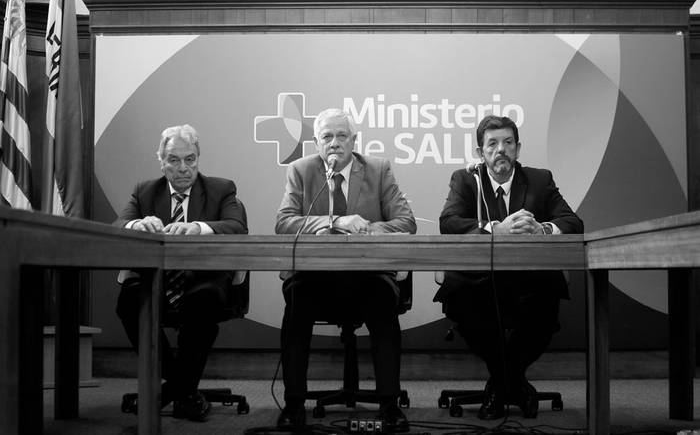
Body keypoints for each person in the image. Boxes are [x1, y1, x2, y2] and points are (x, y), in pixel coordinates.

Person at [275, 108, 416, 431]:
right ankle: (294, 403)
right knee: (295, 302)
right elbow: (284, 223)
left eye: (342, 136)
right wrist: (334, 222)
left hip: (368, 279)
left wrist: (365, 229)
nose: (334, 143)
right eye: (327, 136)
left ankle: (389, 405)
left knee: (383, 303)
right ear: (316, 142)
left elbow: (406, 222)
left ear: (355, 140)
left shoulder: (378, 170)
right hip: (316, 280)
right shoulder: (301, 170)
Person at [434, 115, 583, 420]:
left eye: (508, 143)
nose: (500, 149)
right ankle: (513, 384)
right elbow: (448, 222)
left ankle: (499, 386)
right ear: (480, 152)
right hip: (478, 282)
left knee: (545, 304)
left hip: (530, 283)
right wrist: (494, 229)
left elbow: (573, 222)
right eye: (492, 144)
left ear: (518, 148)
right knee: (463, 300)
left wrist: (542, 229)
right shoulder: (466, 180)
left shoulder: (539, 180)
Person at [115, 124, 248, 422]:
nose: (183, 168)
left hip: (203, 281)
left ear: (199, 158)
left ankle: (170, 391)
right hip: (157, 282)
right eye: (174, 160)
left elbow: (237, 227)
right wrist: (137, 224)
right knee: (128, 301)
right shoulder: (145, 191)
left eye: (190, 159)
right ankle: (184, 389)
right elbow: (117, 226)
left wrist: (198, 227)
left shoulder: (221, 188)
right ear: (161, 161)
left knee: (205, 300)